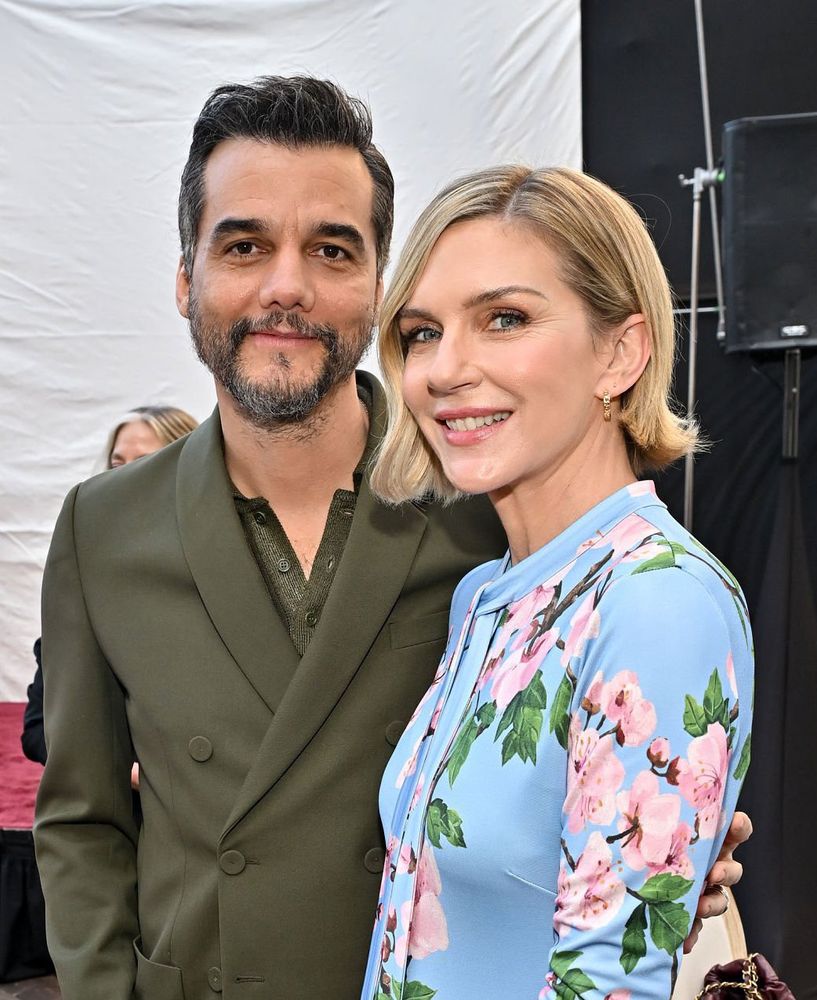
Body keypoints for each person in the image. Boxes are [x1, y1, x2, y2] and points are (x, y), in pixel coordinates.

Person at [34, 78, 747, 1000]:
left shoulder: (492, 516)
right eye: (244, 245)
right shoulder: (104, 528)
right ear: (185, 278)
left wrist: (655, 843)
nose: (286, 286)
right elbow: (83, 821)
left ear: (374, 287)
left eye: (331, 250)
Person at [362, 165, 754, 999]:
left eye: (503, 319)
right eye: (422, 332)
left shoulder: (658, 598)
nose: (444, 368)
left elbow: (610, 982)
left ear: (619, 352)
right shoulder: (485, 596)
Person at [21, 405, 197, 765]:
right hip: (114, 791)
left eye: (145, 463)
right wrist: (125, 772)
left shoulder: (222, 566)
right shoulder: (85, 568)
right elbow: (38, 731)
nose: (124, 478)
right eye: (117, 465)